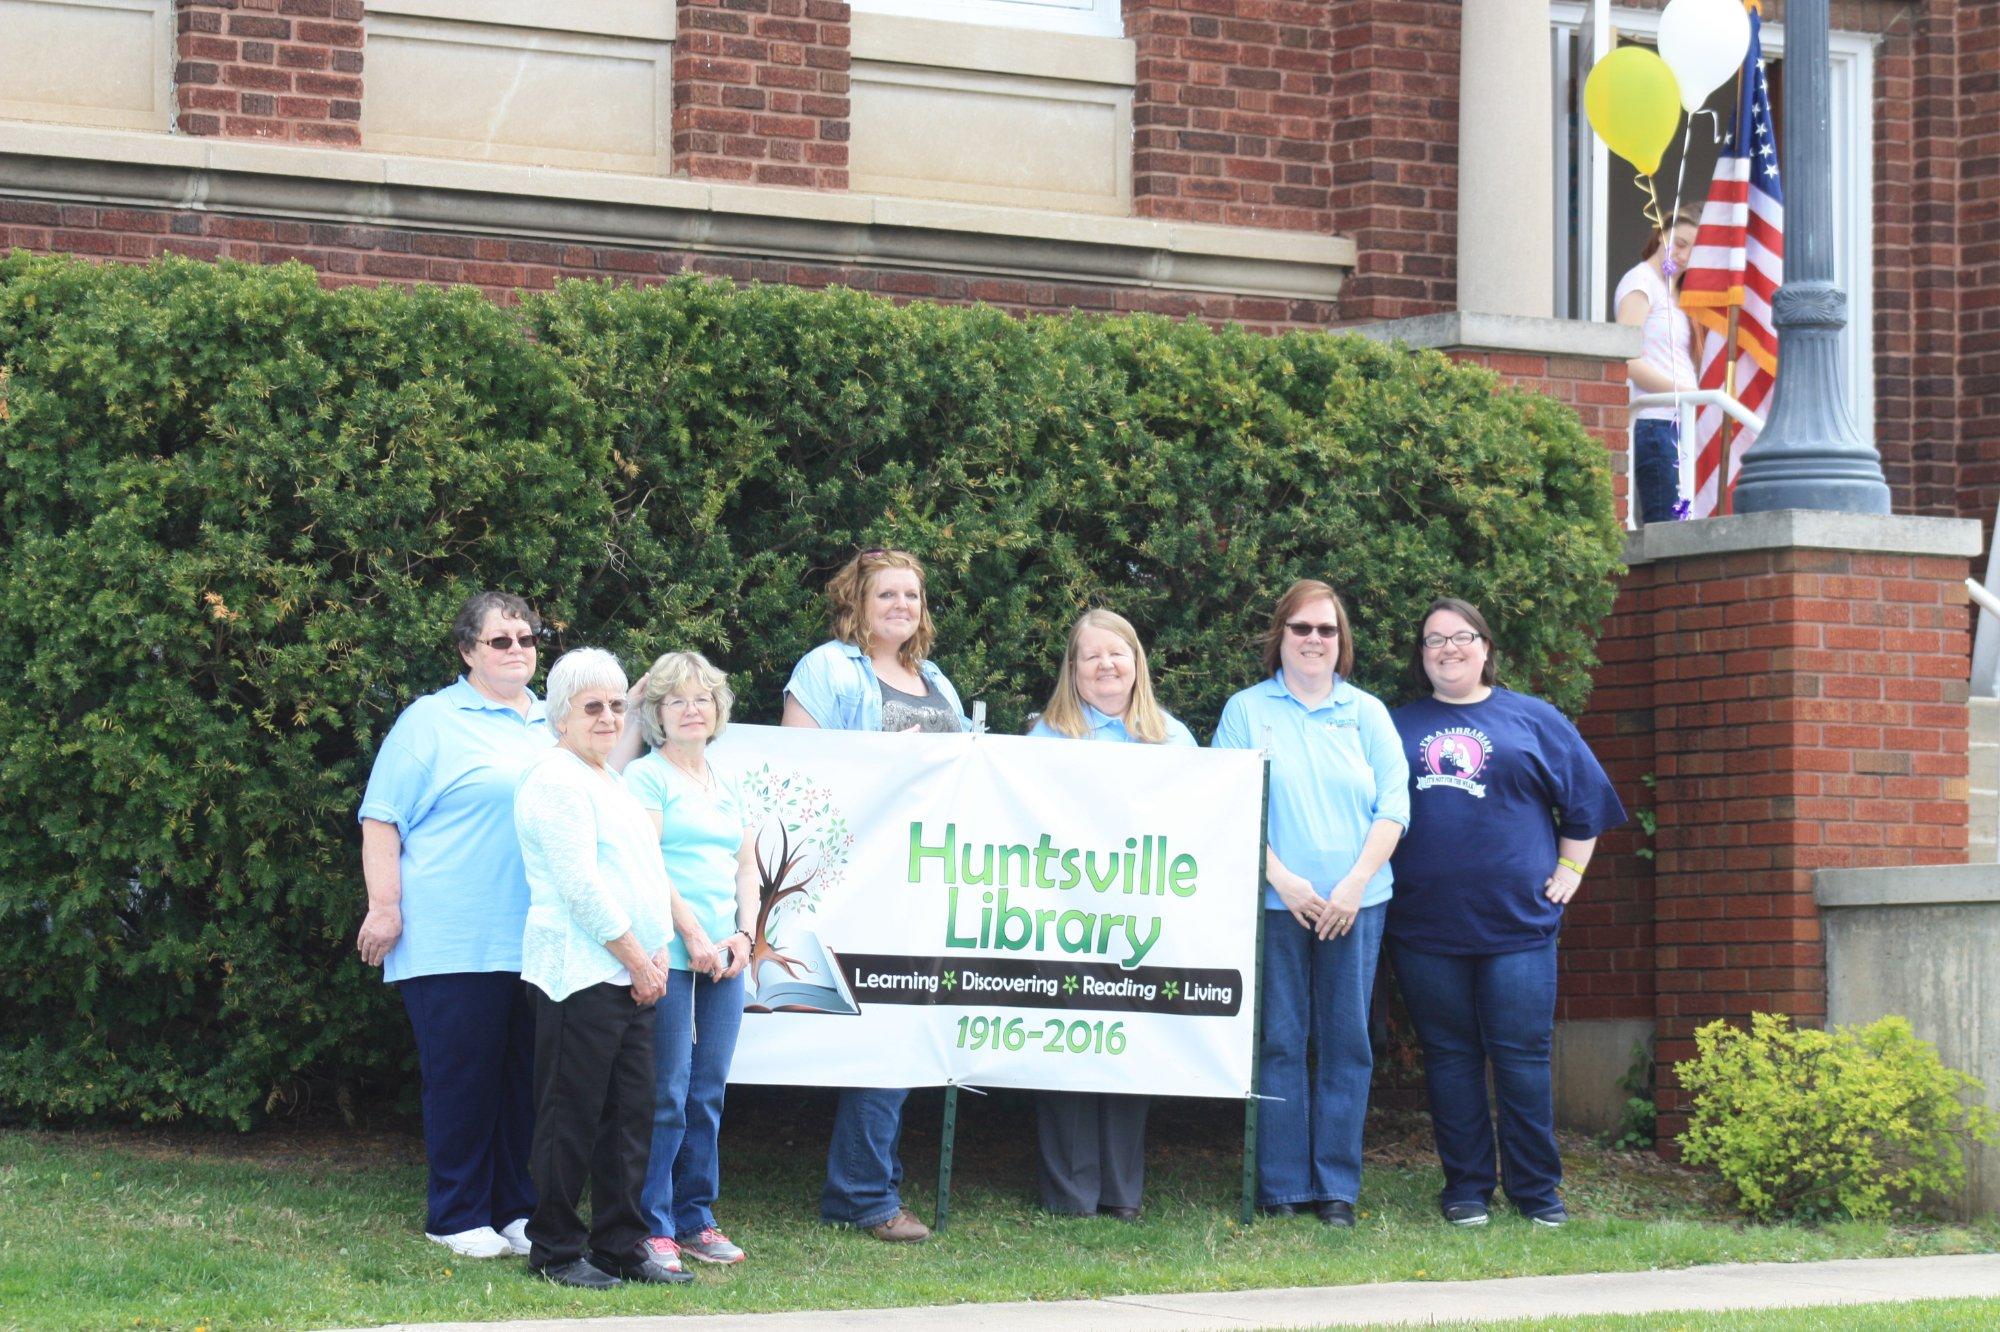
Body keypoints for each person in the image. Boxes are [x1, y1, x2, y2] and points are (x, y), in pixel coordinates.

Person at [1387, 598, 1626, 1230]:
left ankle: (1537, 1193)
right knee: (1449, 1057)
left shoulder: (1534, 719)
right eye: (1433, 640)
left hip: (1518, 926)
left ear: (1486, 647)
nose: (1447, 649)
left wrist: (1570, 872)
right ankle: (1466, 1190)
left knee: (1522, 1057)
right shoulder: (1393, 726)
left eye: (1460, 637)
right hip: (1424, 926)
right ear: (1422, 656)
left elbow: (1585, 805)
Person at [356, 590, 552, 1260]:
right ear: (467, 650)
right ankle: (457, 1213)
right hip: (453, 938)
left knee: (526, 1081)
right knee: (464, 1081)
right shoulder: (430, 721)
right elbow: (381, 817)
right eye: (501, 640)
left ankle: (516, 1210)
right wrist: (385, 906)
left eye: (527, 638)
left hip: (539, 939)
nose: (518, 650)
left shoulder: (554, 722)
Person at [782, 547, 970, 1243]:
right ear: (855, 603)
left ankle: (865, 1187)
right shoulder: (829, 668)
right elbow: (799, 766)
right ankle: (864, 1193)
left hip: (922, 881)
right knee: (879, 1029)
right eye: (886, 595)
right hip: (855, 880)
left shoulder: (936, 679)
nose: (900, 607)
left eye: (912, 597)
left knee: (901, 1029)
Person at [1212, 579, 1409, 1227]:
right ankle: (1282, 1185)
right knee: (1281, 1042)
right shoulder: (1247, 710)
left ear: (1341, 640)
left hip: (1358, 904)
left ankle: (1336, 1189)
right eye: (1302, 629)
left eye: (1327, 630)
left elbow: (1395, 807)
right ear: (1282, 636)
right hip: (1278, 905)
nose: (1314, 641)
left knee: (1348, 1042)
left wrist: (1352, 884)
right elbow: (1230, 806)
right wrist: (1284, 882)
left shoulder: (1367, 713)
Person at [514, 647, 687, 1289]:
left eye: (618, 705)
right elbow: (580, 886)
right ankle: (556, 1249)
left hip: (633, 975)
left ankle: (620, 1242)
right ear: (562, 716)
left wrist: (658, 949)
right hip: (580, 975)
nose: (610, 717)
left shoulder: (608, 778)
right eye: (594, 707)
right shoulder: (555, 779)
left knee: (628, 1117)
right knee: (570, 1117)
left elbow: (644, 875)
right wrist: (639, 958)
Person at [1027, 609, 1195, 1221]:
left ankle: (1122, 1194)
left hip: (1141, 921)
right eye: (1091, 655)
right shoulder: (1046, 737)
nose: (1105, 665)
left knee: (1129, 1043)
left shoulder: (1174, 740)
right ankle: (1070, 1194)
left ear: (1136, 663)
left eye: (1116, 653)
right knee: (1067, 1043)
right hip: (1065, 916)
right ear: (1072, 670)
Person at [624, 651, 760, 1272]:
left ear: (717, 709)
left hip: (724, 958)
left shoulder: (731, 782)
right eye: (675, 699)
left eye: (701, 698)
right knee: (667, 1093)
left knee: (707, 1091)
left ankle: (696, 1218)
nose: (690, 709)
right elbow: (648, 866)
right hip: (672, 955)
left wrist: (741, 935)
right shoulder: (644, 779)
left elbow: (744, 868)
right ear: (656, 714)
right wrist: (695, 936)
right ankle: (650, 1224)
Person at [1615, 203, 1703, 524]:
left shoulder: (1676, 293)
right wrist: (1681, 390)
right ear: (1661, 233)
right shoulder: (1641, 282)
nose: (1683, 256)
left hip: (1682, 423)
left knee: (1683, 521)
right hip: (1656, 423)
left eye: (1693, 250)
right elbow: (1625, 358)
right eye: (1679, 243)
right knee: (1669, 524)